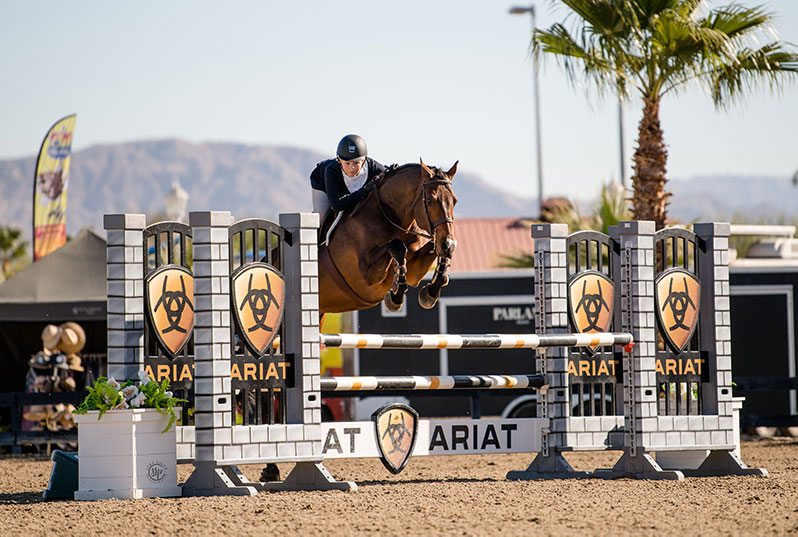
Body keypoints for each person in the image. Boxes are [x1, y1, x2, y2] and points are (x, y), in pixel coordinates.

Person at [310, 134, 385, 241]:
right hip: (323, 183)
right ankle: (314, 247)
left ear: (363, 161)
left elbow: (388, 175)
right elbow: (337, 205)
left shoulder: (374, 168)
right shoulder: (332, 170)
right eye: (347, 163)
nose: (352, 168)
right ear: (339, 160)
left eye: (356, 163)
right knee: (321, 216)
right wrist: (364, 191)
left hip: (350, 189)